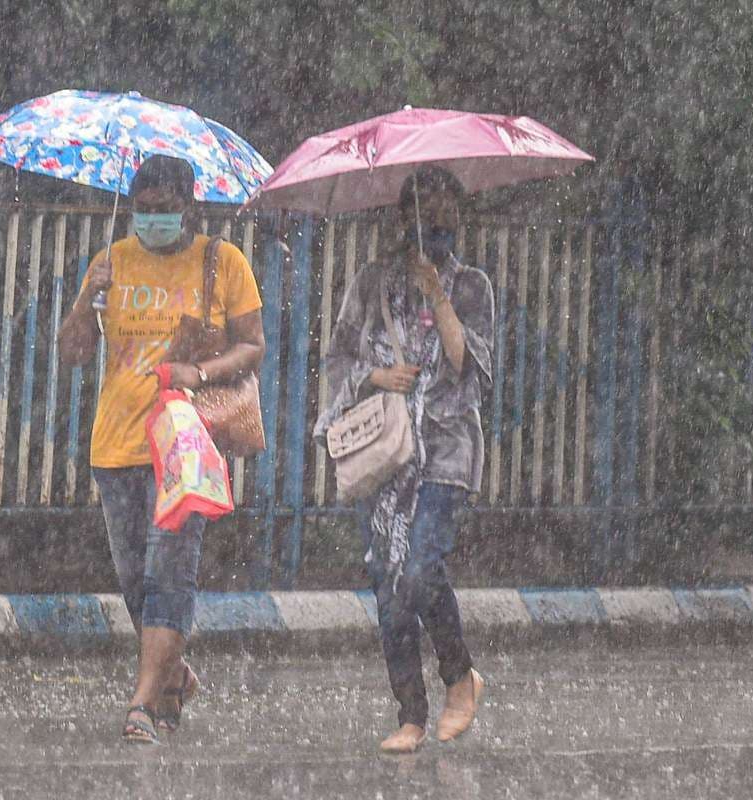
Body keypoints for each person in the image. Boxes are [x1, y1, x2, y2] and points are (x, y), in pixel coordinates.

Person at [59, 155, 265, 744]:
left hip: (184, 445)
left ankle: (143, 705)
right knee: (134, 579)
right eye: (143, 209)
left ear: (187, 208)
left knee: (169, 573)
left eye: (164, 209)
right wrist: (87, 300)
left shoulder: (223, 261)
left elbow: (253, 345)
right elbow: (72, 353)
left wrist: (199, 373)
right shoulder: (111, 261)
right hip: (115, 444)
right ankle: (173, 674)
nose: (152, 219)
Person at [314, 166, 495, 754]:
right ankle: (410, 713)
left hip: (444, 450)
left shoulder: (472, 286)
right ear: (404, 219)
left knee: (418, 570)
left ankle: (459, 676)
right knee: (388, 582)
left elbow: (470, 367)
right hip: (385, 453)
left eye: (447, 216)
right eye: (427, 215)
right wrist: (375, 376)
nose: (437, 226)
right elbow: (338, 358)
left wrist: (436, 293)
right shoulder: (370, 284)